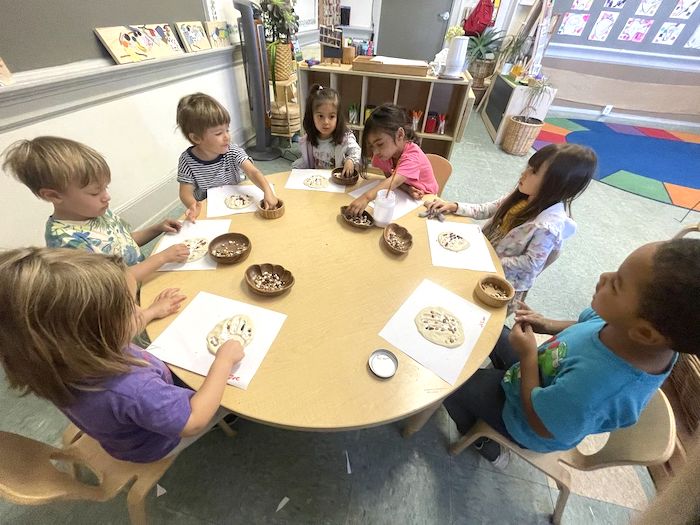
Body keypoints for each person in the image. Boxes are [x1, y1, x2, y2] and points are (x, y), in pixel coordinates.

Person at [443, 238, 700, 468]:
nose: (604, 276)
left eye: (617, 284)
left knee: (450, 385)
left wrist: (529, 357)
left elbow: (540, 423)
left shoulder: (597, 388)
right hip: (535, 373)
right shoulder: (639, 336)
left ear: (644, 333)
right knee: (491, 327)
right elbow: (587, 325)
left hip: (523, 418)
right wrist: (547, 324)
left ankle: (482, 442)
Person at [0, 247, 246, 463]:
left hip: (128, 421)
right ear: (94, 335)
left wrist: (151, 313)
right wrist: (223, 361)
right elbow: (194, 420)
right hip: (156, 444)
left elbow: (111, 332)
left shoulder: (54, 359)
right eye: (129, 308)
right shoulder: (132, 390)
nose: (138, 309)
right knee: (237, 397)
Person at [2, 136, 189, 284]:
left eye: (105, 187)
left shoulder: (95, 211)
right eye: (94, 192)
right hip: (126, 300)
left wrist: (156, 229)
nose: (106, 196)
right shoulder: (67, 242)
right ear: (53, 196)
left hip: (146, 275)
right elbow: (117, 282)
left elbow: (122, 244)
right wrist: (162, 257)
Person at [425, 143, 597, 303]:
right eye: (528, 167)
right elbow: (489, 208)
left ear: (556, 185)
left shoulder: (547, 228)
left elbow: (531, 264)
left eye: (534, 172)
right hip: (483, 256)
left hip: (502, 281)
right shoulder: (525, 196)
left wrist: (492, 260)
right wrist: (455, 206)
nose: (524, 174)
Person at [176, 93, 278, 222]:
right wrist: (192, 205)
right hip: (209, 207)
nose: (227, 137)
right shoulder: (187, 160)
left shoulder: (231, 150)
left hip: (237, 200)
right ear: (196, 138)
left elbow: (253, 172)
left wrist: (267, 190)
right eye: (219, 133)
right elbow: (185, 193)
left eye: (227, 130)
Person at [346, 104, 438, 216]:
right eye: (372, 146)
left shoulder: (413, 156)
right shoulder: (385, 154)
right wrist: (407, 189)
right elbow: (391, 178)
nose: (375, 152)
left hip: (427, 199)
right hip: (406, 194)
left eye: (380, 144)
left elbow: (394, 181)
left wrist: (366, 197)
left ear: (400, 134)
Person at [291, 84, 361, 175]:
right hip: (317, 181)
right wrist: (296, 169)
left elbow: (357, 151)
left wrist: (350, 160)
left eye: (331, 116)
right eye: (320, 116)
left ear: (338, 117)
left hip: (337, 181)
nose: (326, 122)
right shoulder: (308, 140)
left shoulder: (345, 138)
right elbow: (307, 161)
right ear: (312, 117)